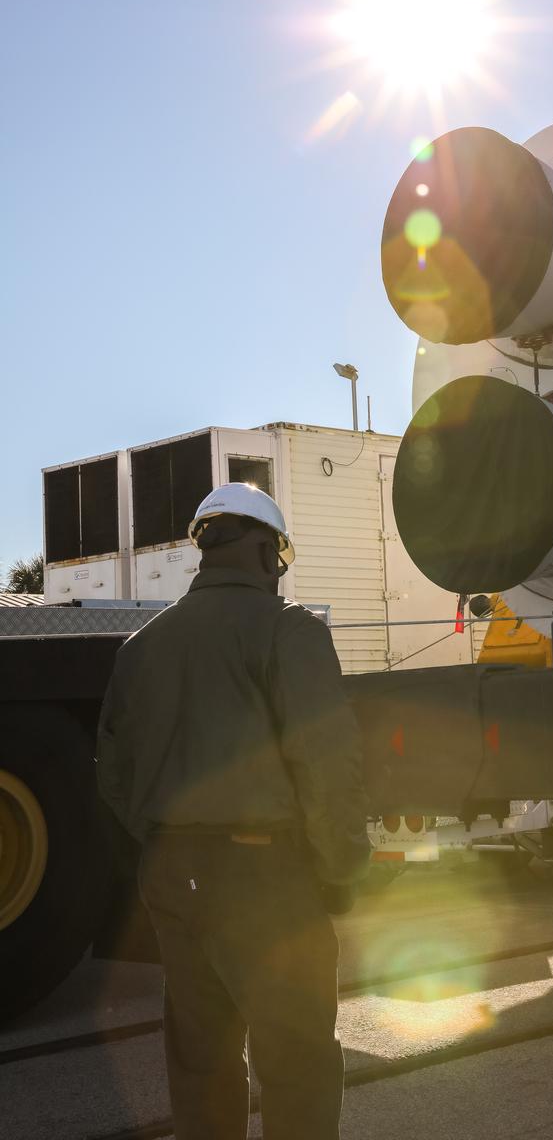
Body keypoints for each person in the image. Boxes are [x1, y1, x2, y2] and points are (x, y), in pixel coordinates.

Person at [97, 482, 370, 1140]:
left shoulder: (139, 647)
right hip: (266, 875)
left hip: (172, 876)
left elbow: (114, 774)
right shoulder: (288, 630)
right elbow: (326, 763)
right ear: (264, 552)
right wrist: (341, 868)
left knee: (199, 1059)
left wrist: (170, 840)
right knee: (296, 1061)